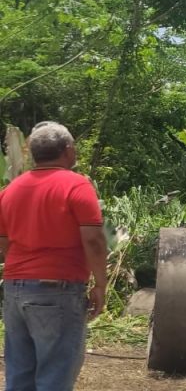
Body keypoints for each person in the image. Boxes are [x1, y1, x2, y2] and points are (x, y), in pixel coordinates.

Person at [0, 121, 108, 391]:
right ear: (68, 151)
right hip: (57, 290)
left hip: (14, 292)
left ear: (33, 154)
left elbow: (4, 243)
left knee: (19, 375)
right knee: (54, 377)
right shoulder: (76, 185)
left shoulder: (10, 191)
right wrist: (101, 284)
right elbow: (94, 240)